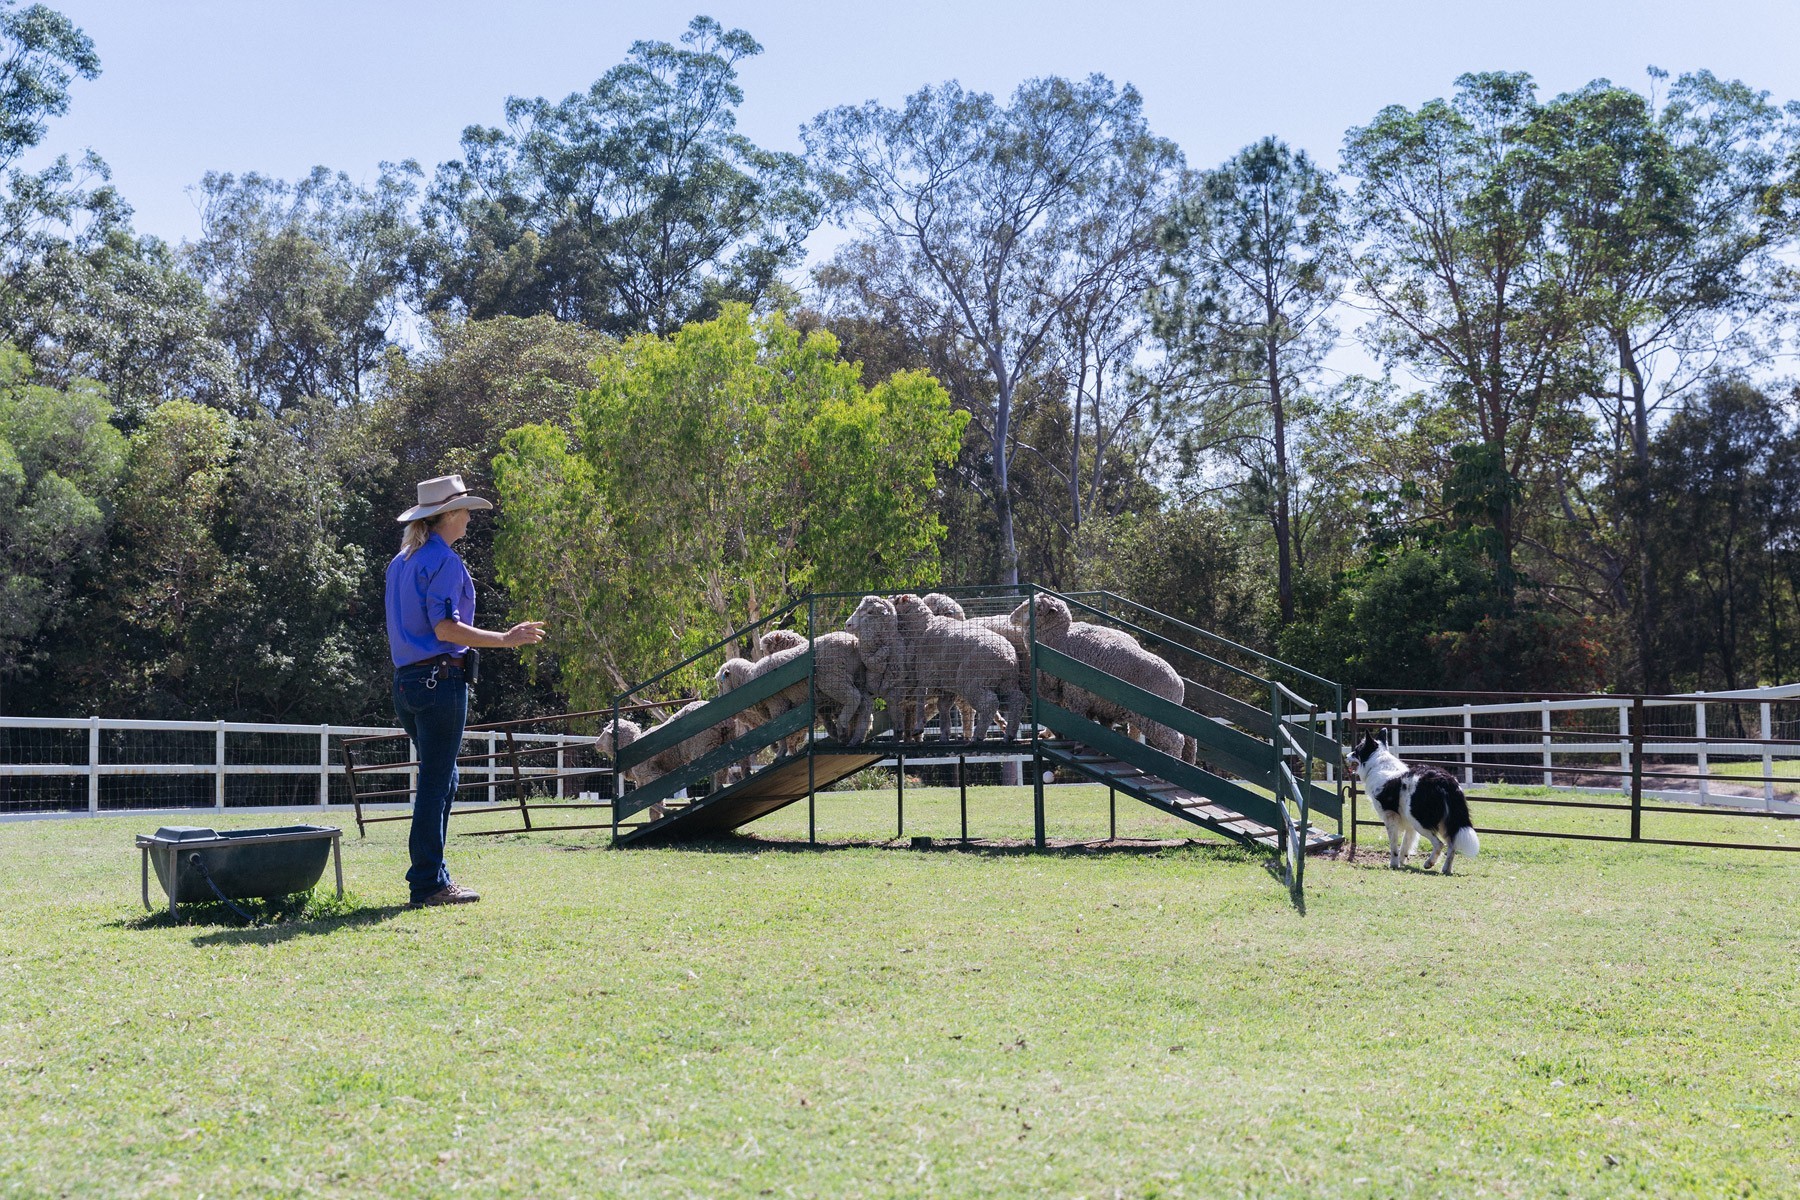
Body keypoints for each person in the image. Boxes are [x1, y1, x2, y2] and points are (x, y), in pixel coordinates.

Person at [384, 474, 546, 907]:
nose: (470, 517)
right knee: (437, 782)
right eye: (466, 510)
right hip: (440, 682)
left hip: (406, 685)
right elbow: (444, 627)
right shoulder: (444, 561)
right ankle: (427, 884)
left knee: (445, 776)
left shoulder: (401, 563)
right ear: (449, 515)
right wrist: (505, 639)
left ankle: (433, 874)